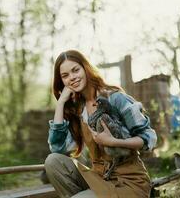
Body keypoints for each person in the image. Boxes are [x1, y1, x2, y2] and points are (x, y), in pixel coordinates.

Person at [45, 50, 157, 198]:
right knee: (53, 161)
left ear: (86, 68)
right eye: (65, 76)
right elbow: (57, 148)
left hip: (129, 182)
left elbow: (149, 138)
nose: (72, 78)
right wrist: (60, 103)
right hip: (99, 178)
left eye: (75, 70)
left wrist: (114, 141)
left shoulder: (115, 98)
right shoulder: (78, 109)